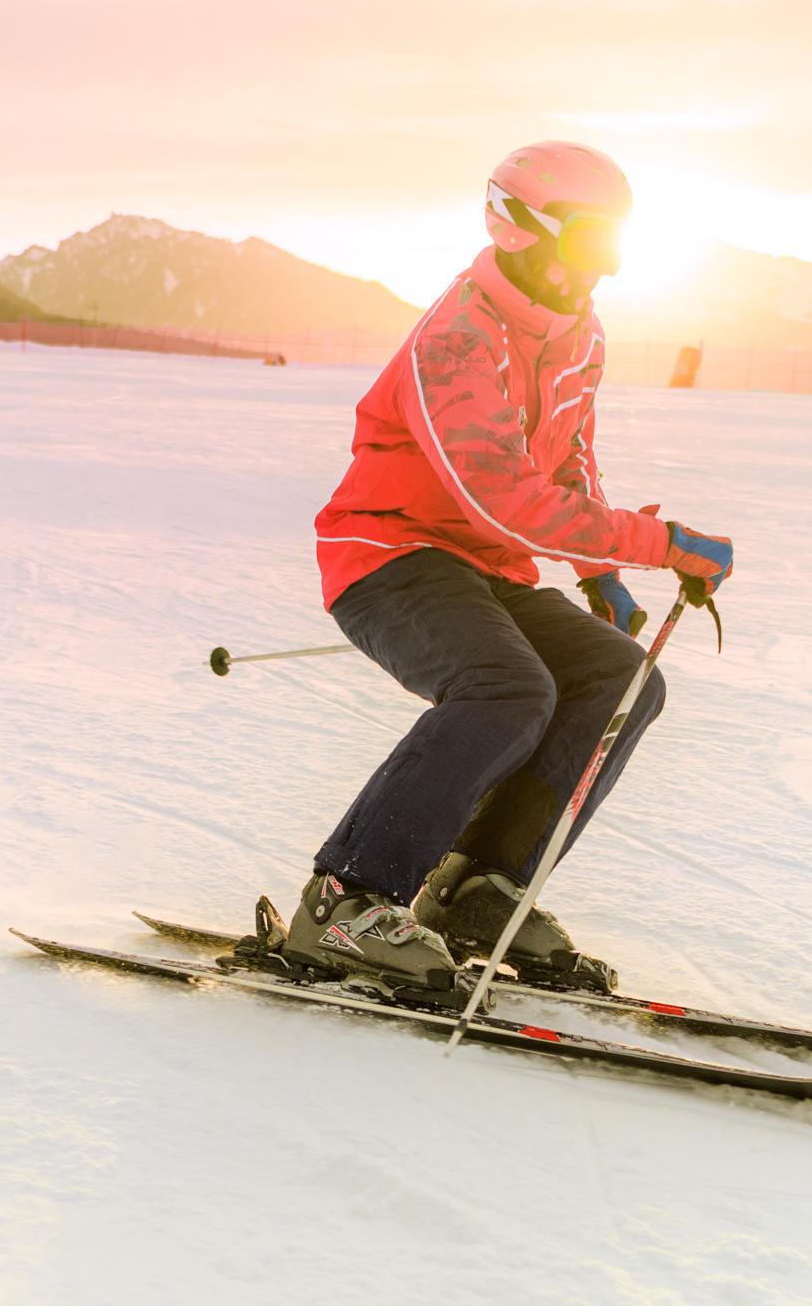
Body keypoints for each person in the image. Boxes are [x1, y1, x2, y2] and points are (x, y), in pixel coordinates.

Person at [284, 142, 735, 987]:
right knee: (507, 686)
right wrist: (659, 543)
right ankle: (345, 903)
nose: (602, 268)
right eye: (589, 242)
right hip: (388, 554)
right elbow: (503, 499)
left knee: (621, 678)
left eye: (616, 247)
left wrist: (601, 570)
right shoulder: (455, 340)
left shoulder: (578, 334)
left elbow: (567, 467)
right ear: (522, 229)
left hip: (487, 568)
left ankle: (479, 890)